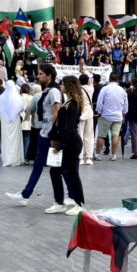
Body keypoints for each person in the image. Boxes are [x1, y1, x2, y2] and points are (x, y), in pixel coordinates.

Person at [5, 64, 62, 206]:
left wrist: (55, 135)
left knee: (59, 168)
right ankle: (25, 194)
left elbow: (57, 113)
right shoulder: (47, 91)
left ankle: (71, 197)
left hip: (50, 134)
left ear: (49, 76)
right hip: (45, 132)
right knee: (41, 165)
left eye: (41, 74)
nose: (38, 76)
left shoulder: (54, 91)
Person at [45, 75, 85, 217]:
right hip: (65, 142)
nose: (60, 86)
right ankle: (59, 202)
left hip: (71, 144)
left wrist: (60, 145)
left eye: (62, 84)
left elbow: (69, 128)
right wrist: (53, 137)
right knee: (55, 171)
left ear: (68, 86)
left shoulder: (73, 104)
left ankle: (79, 204)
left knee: (73, 173)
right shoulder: (68, 102)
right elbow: (60, 124)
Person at [93, 72, 128, 161]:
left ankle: (98, 154)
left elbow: (99, 102)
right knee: (115, 135)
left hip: (105, 115)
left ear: (109, 79)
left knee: (101, 135)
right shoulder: (122, 90)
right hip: (118, 116)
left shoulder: (105, 89)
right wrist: (123, 114)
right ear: (117, 80)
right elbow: (125, 105)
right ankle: (113, 155)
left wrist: (99, 112)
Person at [0, 79, 25, 167]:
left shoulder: (2, 97)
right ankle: (15, 159)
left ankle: (7, 158)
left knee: (6, 139)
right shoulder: (17, 97)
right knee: (15, 139)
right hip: (15, 121)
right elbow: (21, 107)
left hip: (5, 122)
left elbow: (0, 107)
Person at [78, 73, 95, 164]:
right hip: (89, 114)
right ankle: (89, 157)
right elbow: (91, 83)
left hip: (80, 114)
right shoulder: (91, 89)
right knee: (89, 136)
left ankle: (80, 158)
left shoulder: (77, 90)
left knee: (79, 136)